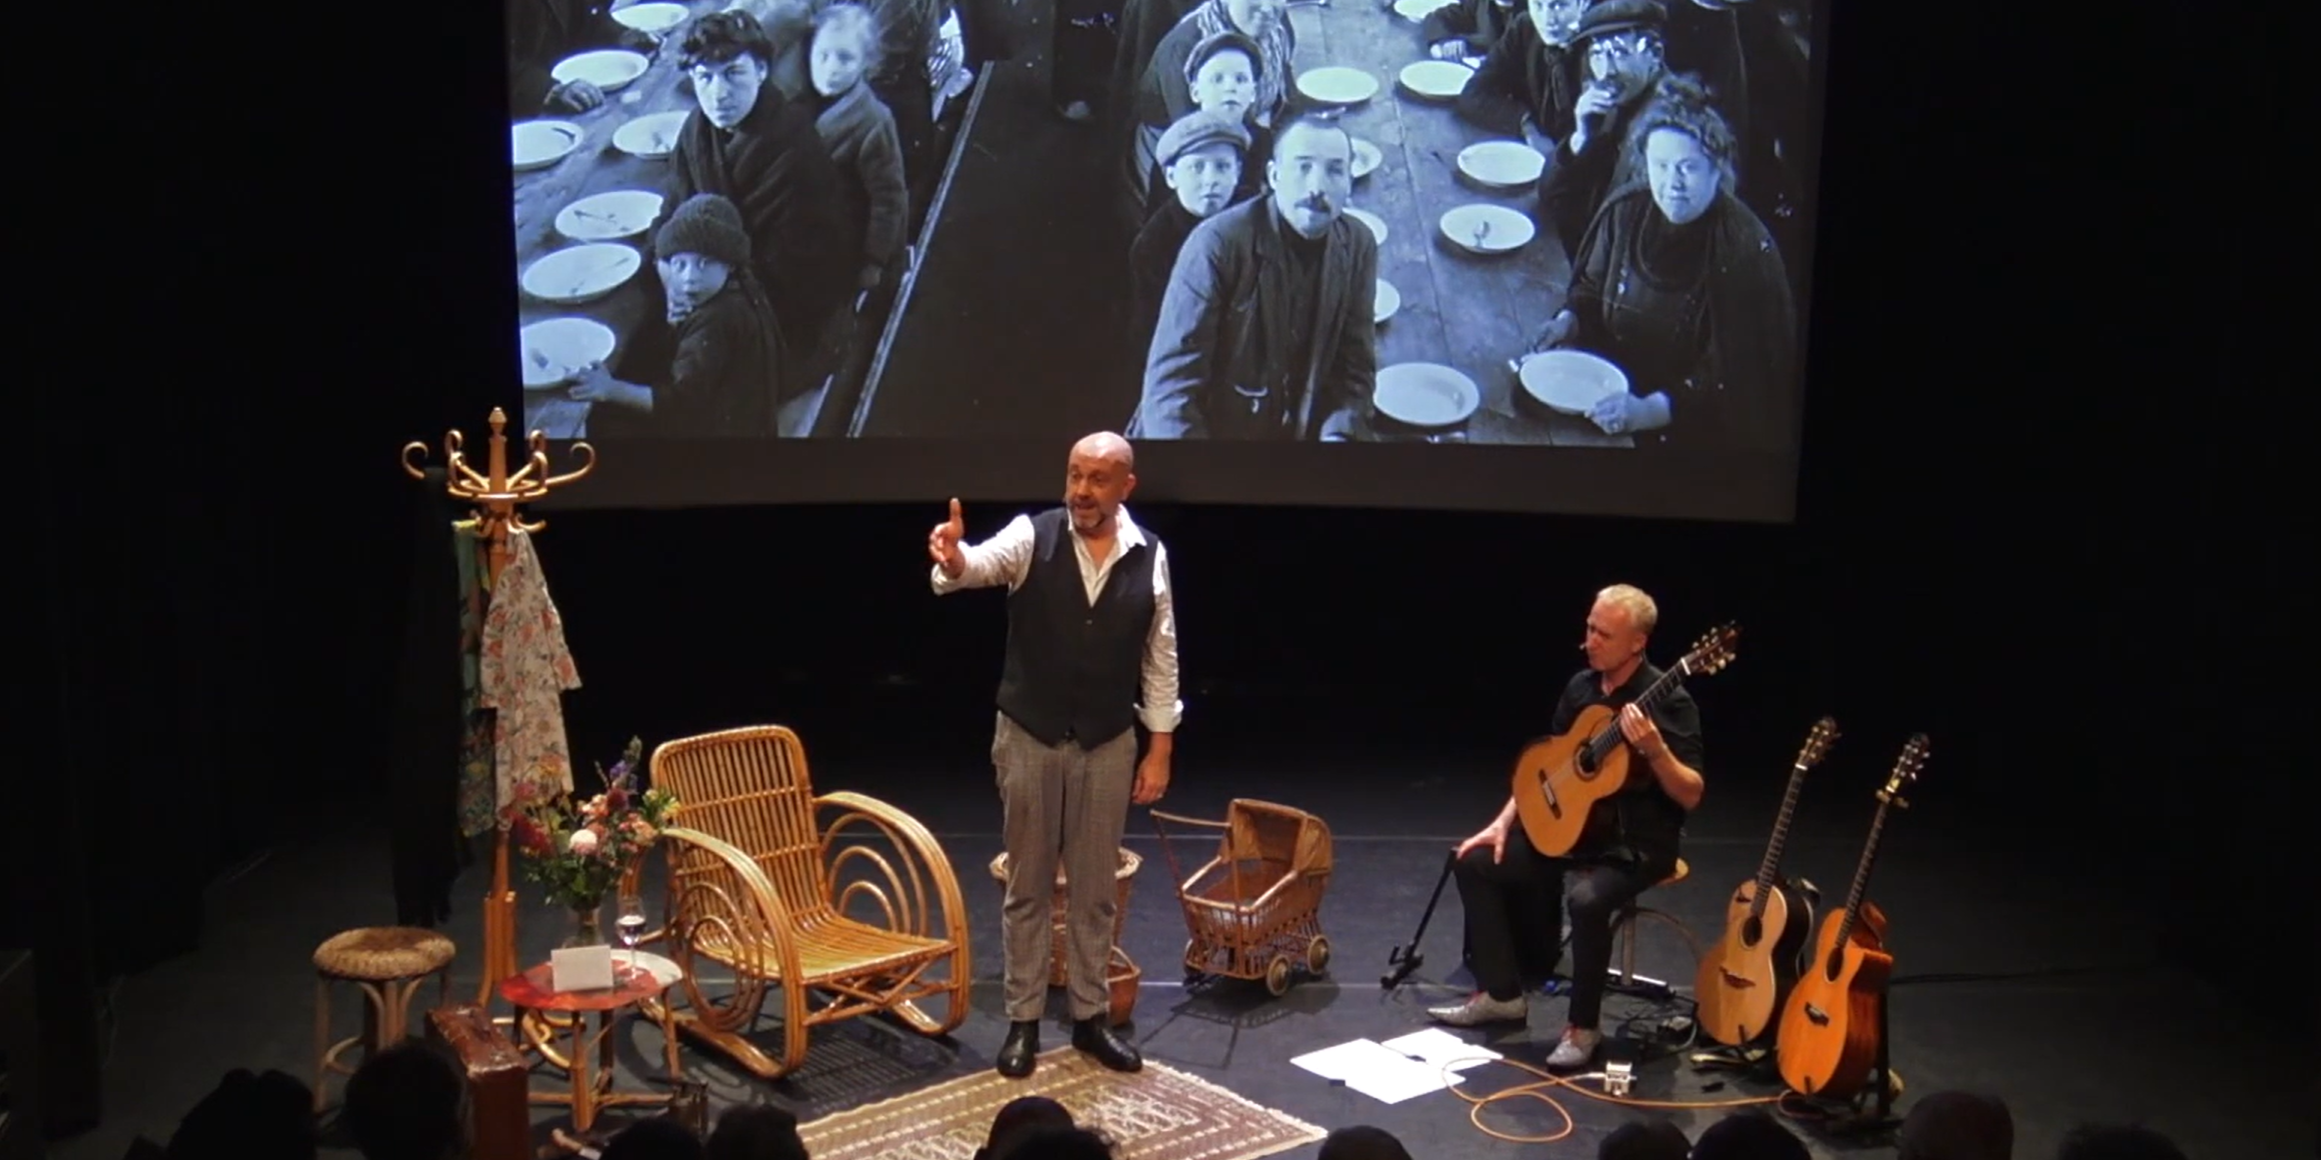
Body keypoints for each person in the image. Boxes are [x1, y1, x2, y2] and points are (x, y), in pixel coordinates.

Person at [927, 432, 1180, 1078]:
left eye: (1097, 478)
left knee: (1096, 891)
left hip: (1106, 741)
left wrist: (1159, 748)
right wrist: (954, 560)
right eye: (1074, 475)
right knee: (1028, 885)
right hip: (1030, 735)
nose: (1081, 490)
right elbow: (976, 566)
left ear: (1126, 486)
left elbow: (1160, 657)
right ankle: (1023, 1021)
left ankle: (1091, 1018)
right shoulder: (1031, 536)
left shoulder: (1149, 555)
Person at [1429, 584, 1705, 1071]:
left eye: (1604, 634)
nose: (1589, 640)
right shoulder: (1581, 687)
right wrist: (1501, 824)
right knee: (1474, 861)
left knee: (1586, 900)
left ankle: (1583, 1028)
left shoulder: (1671, 701)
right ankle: (1501, 995)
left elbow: (1691, 793)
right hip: (1578, 833)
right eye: (1590, 628)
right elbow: (1548, 767)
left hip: (1637, 844)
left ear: (1637, 643)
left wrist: (1656, 750)